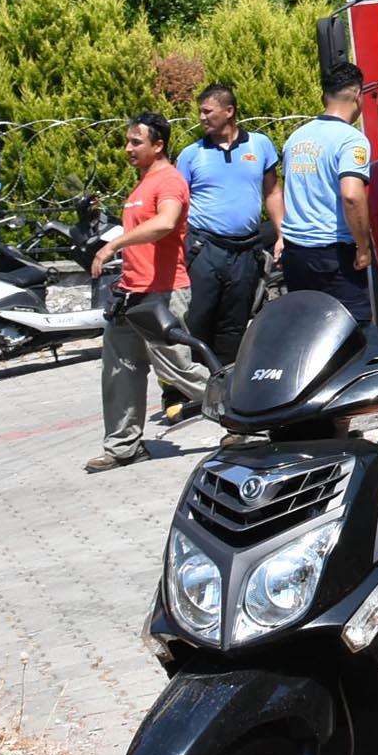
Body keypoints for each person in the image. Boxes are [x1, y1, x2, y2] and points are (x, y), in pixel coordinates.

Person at [87, 114, 222, 472]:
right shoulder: (142, 184)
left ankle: (246, 420)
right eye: (128, 141)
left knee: (181, 370)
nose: (128, 148)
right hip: (131, 294)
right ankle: (122, 447)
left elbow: (164, 223)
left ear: (158, 145)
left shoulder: (170, 181)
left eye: (136, 142)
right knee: (120, 371)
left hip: (161, 295)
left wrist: (114, 244)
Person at [175, 84, 279, 376]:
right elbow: (177, 205)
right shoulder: (190, 155)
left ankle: (225, 380)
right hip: (205, 248)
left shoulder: (259, 145)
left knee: (235, 320)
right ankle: (191, 386)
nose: (201, 117)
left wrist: (282, 235)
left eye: (207, 111)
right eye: (200, 111)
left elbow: (272, 193)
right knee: (199, 317)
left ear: (229, 111)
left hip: (246, 250)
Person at [279, 65, 378, 329]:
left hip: (296, 253)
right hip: (333, 255)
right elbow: (352, 196)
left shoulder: (296, 138)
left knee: (308, 332)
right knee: (351, 331)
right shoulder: (351, 140)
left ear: (325, 96)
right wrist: (363, 247)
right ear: (358, 95)